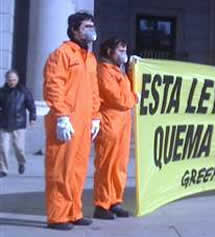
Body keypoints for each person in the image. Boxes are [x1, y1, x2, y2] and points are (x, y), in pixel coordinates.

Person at [43, 11, 101, 230]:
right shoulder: (62, 54)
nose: (91, 30)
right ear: (75, 30)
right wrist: (61, 117)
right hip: (66, 121)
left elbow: (94, 91)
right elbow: (53, 86)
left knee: (77, 170)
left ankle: (73, 212)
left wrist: (95, 117)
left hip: (85, 122)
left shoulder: (90, 58)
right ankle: (58, 216)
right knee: (60, 170)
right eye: (87, 26)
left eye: (92, 26)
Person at [93, 38, 138, 220]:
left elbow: (125, 92)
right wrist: (134, 98)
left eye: (125, 49)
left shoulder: (118, 71)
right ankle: (102, 204)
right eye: (120, 50)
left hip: (122, 122)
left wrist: (134, 69)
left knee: (119, 165)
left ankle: (114, 201)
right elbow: (116, 97)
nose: (123, 53)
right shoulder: (103, 71)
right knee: (106, 165)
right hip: (109, 121)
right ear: (110, 52)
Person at [0, 70, 36, 177]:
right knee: (3, 148)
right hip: (4, 123)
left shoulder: (24, 91)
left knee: (18, 147)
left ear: (17, 79)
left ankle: (21, 162)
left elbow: (31, 105)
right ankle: (3, 169)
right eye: (10, 80)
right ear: (6, 80)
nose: (12, 82)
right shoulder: (2, 91)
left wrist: (32, 118)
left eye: (14, 80)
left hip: (19, 123)